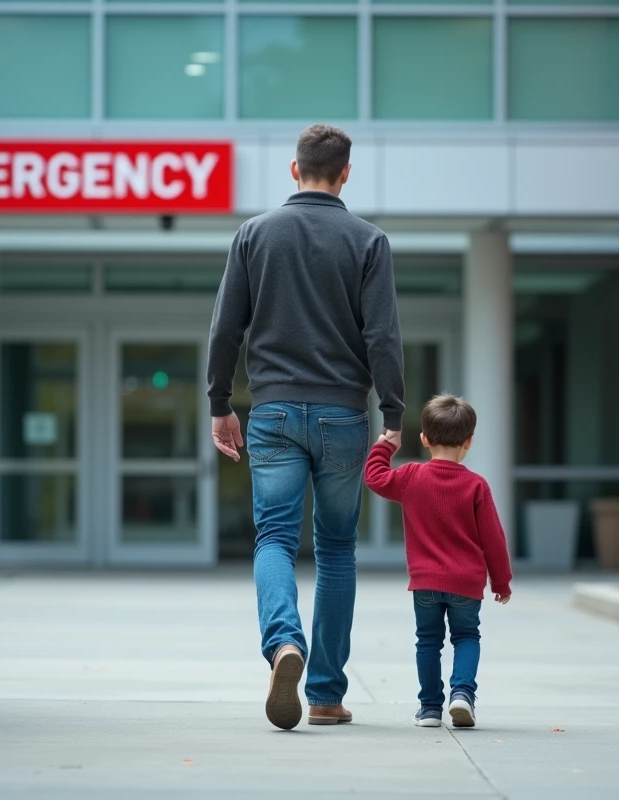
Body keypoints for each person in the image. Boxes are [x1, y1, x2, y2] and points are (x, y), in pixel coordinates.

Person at [207, 124, 406, 731]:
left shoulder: (254, 234)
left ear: (294, 170)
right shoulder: (369, 241)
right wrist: (393, 415)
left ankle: (283, 643)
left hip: (271, 413)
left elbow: (225, 328)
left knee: (273, 538)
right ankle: (324, 694)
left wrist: (220, 403)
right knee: (337, 547)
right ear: (346, 173)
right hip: (344, 415)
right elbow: (382, 335)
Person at [363, 394, 512, 729]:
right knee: (467, 636)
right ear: (469, 441)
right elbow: (494, 540)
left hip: (425, 583)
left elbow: (374, 477)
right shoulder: (477, 486)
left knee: (428, 642)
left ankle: (430, 709)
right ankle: (462, 694)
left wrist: (385, 446)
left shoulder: (411, 476)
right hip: (466, 584)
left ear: (424, 439)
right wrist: (501, 582)